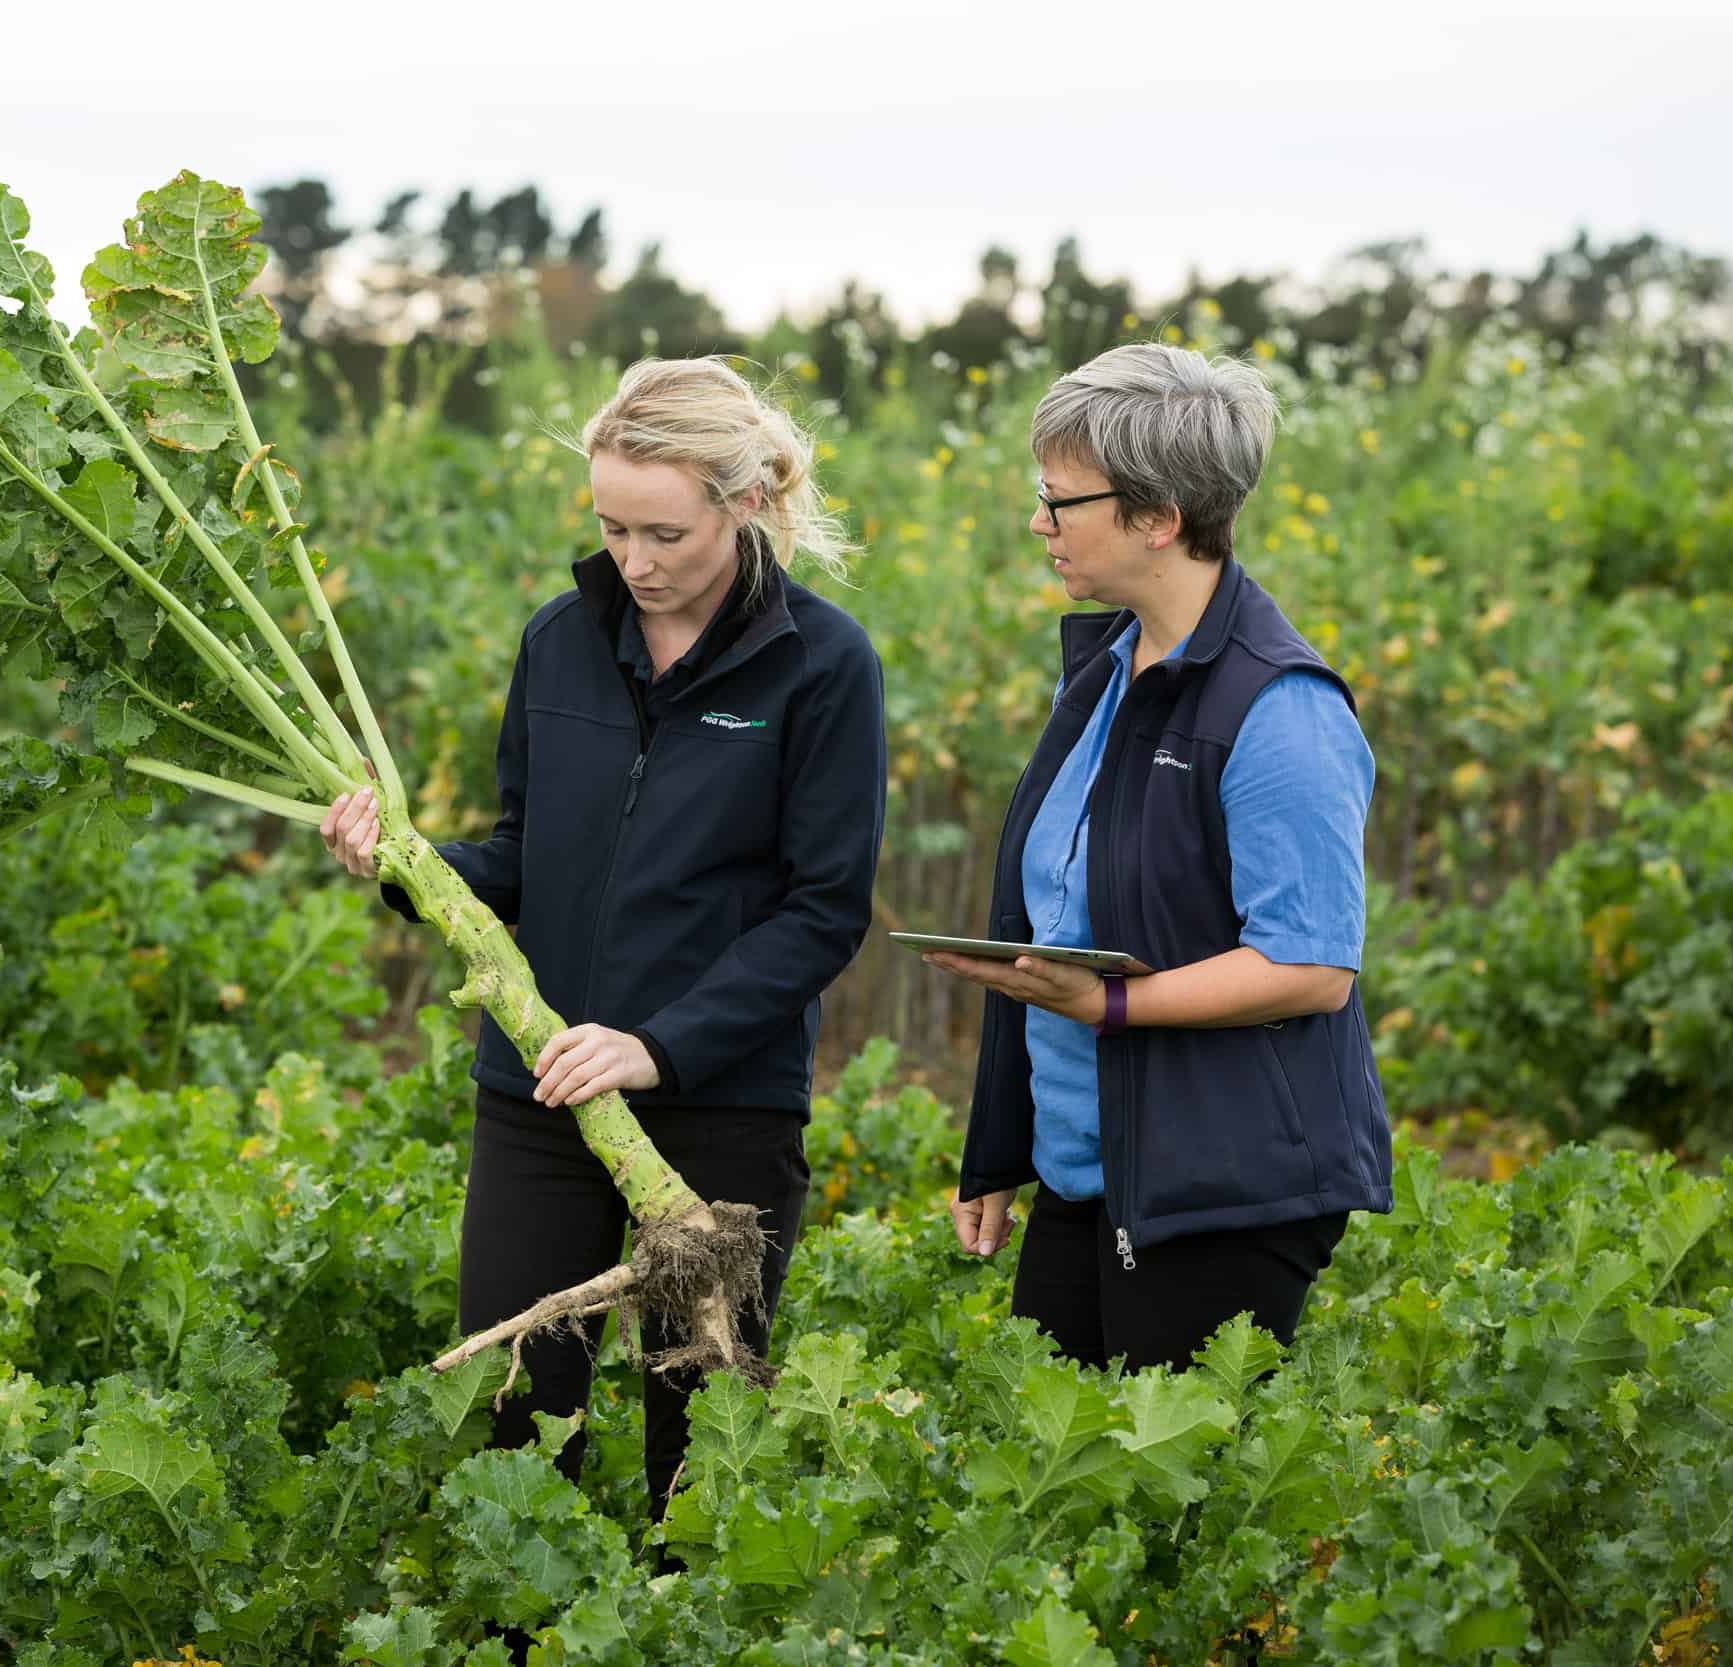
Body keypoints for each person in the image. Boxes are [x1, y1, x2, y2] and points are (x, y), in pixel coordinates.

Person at [319, 357, 886, 1509]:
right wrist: (405, 865)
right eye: (610, 527)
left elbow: (823, 909)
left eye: (665, 532)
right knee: (519, 1425)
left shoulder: (823, 666)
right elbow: (521, 858)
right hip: (541, 1092)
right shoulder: (560, 640)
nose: (635, 562)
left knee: (707, 1441)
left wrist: (656, 1045)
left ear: (743, 503)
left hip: (720, 1102)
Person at [922, 342, 1391, 1373]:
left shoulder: (1280, 708)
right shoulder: (1100, 672)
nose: (1038, 523)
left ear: (1157, 517)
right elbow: (1046, 926)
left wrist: (1114, 1007)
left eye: (1060, 500)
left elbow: (1310, 966)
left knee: (1173, 1508)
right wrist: (999, 1149)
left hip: (1216, 1188)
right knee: (1059, 1490)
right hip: (1089, 1170)